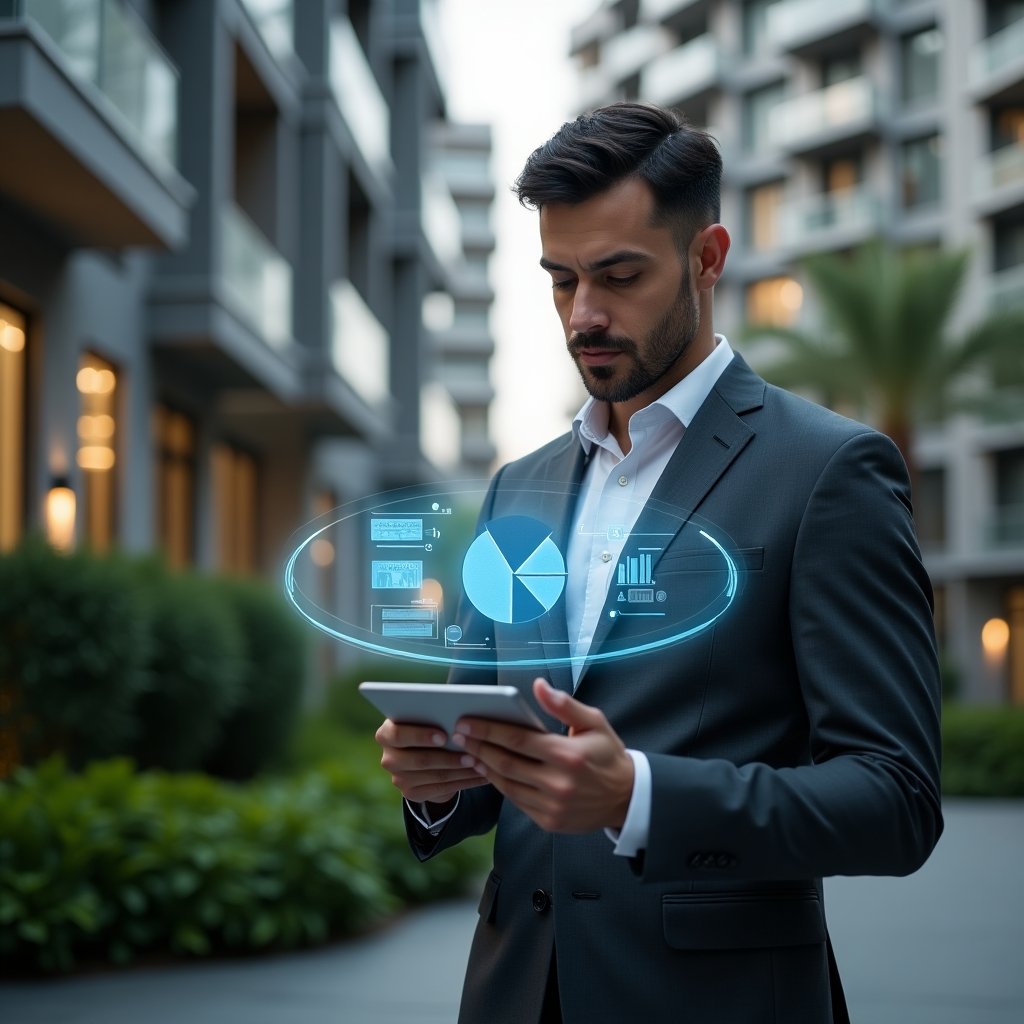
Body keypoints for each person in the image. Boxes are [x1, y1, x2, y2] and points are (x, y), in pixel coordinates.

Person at [374, 102, 943, 1024]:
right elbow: (490, 735)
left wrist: (641, 794)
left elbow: (896, 797)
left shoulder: (829, 472)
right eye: (560, 281)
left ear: (708, 258)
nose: (583, 314)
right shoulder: (519, 488)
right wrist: (441, 779)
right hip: (517, 992)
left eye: (618, 275)